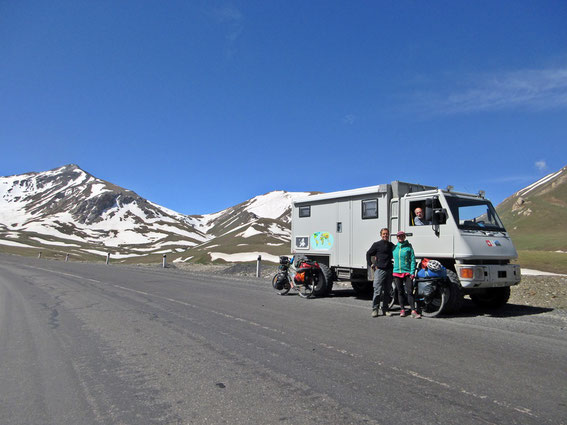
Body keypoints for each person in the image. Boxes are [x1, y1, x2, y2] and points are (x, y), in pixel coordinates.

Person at [366, 228, 395, 317]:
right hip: (380, 270)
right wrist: (370, 264)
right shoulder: (377, 244)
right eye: (383, 234)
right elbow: (368, 253)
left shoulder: (391, 245)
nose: (385, 235)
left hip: (389, 270)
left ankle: (385, 309)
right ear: (381, 235)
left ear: (389, 234)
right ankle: (375, 309)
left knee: (387, 291)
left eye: (386, 234)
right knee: (377, 291)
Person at [393, 231, 421, 318]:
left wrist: (412, 272)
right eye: (399, 236)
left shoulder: (409, 247)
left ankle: (413, 310)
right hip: (397, 272)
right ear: (397, 238)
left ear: (404, 237)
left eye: (402, 236)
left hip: (407, 272)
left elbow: (413, 260)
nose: (400, 237)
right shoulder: (394, 248)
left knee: (409, 291)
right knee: (400, 291)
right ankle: (402, 309)